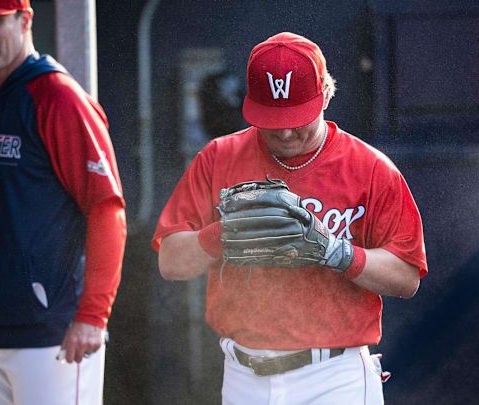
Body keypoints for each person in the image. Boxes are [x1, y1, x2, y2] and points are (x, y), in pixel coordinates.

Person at [152, 32, 427, 404]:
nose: (284, 131)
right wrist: (224, 233)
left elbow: (407, 277)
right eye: (272, 117)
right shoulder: (219, 157)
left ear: (326, 95)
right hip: (244, 375)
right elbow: (171, 262)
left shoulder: (371, 168)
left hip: (334, 377)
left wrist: (335, 251)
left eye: (297, 117)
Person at [0, 1, 127, 404]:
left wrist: (92, 316)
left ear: (25, 20)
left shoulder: (59, 98)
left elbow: (107, 209)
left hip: (52, 334)